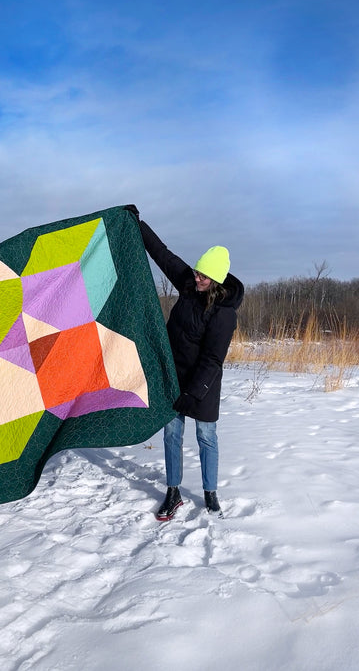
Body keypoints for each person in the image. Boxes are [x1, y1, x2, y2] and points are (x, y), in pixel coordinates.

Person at [125, 205, 244, 520]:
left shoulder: (224, 313)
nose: (197, 277)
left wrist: (193, 393)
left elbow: (213, 359)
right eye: (196, 271)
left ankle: (210, 494)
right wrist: (138, 224)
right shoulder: (190, 286)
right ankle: (173, 491)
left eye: (204, 275)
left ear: (216, 280)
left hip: (202, 386)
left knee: (206, 436)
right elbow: (163, 254)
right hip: (173, 376)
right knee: (171, 435)